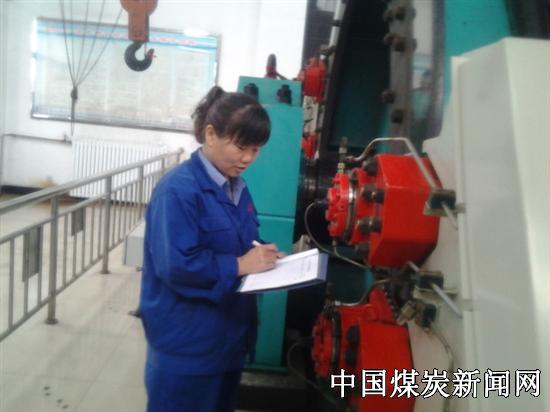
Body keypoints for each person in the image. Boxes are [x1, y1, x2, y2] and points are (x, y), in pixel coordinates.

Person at [139, 86, 285, 412]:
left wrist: (264, 255)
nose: (248, 159)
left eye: (256, 149)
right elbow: (177, 266)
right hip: (188, 347)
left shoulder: (236, 186)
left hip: (227, 341)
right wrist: (240, 265)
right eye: (241, 147)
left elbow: (241, 241)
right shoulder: (178, 191)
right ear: (210, 134)